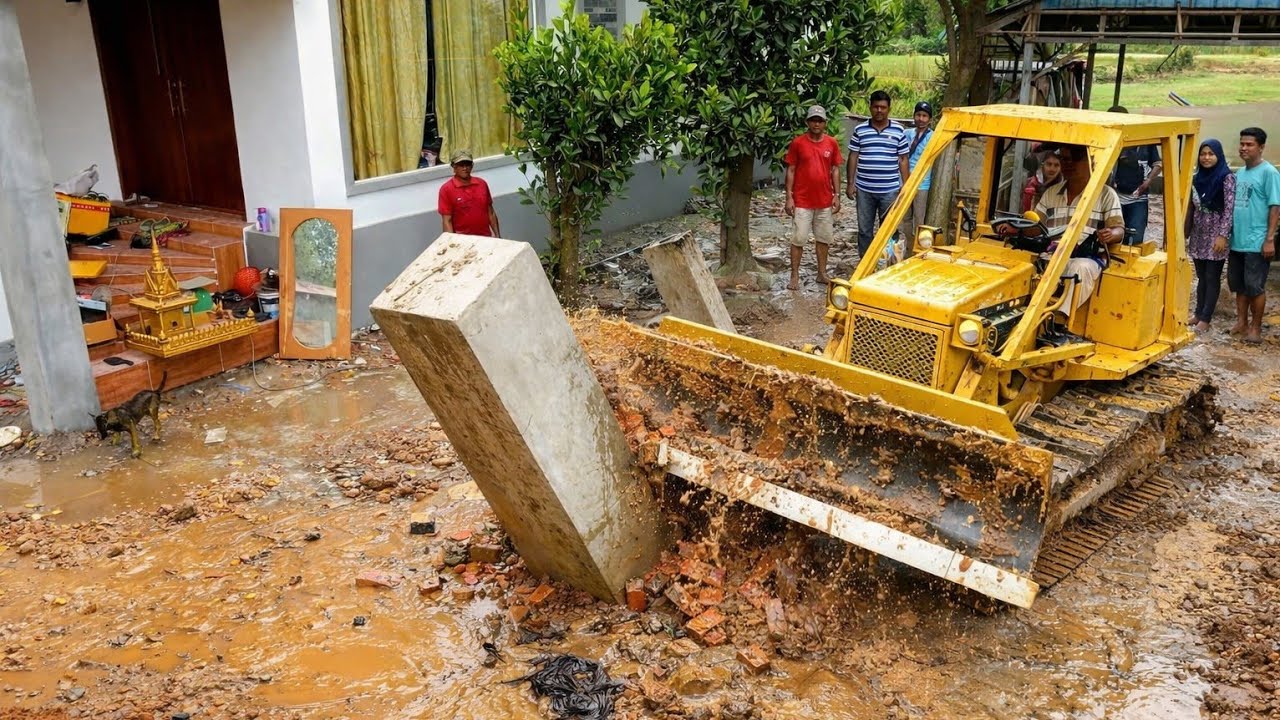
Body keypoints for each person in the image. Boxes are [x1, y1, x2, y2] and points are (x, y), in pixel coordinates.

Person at [1033, 145, 1126, 319]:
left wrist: (1111, 234)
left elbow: (1119, 229)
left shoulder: (1106, 194)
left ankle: (1059, 318)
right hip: (1052, 254)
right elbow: (1035, 226)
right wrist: (1017, 227)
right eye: (1064, 159)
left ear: (1090, 162)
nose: (1067, 164)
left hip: (1086, 256)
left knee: (1080, 268)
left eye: (1074, 159)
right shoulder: (1051, 193)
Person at [1228, 127, 1280, 344]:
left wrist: (1269, 239)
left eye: (1249, 144)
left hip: (1257, 241)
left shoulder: (1269, 173)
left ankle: (1256, 328)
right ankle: (1241, 322)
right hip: (1237, 240)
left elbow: (1275, 206)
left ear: (1261, 147)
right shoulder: (1239, 173)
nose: (1244, 148)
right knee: (1239, 285)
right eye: (1242, 144)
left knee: (1255, 287)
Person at [784, 105, 843, 290]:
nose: (816, 124)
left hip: (824, 200)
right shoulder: (798, 143)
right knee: (798, 238)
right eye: (813, 120)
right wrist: (789, 197)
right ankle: (794, 275)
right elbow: (791, 169)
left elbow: (835, 169)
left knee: (823, 238)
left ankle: (821, 272)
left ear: (825, 123)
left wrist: (837, 195)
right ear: (807, 122)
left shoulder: (831, 143)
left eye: (820, 121)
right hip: (802, 200)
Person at [846, 90, 909, 259]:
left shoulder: (898, 130)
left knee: (889, 229)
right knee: (864, 230)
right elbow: (853, 156)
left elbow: (903, 159)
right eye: (876, 107)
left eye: (883, 107)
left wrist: (907, 186)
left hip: (890, 190)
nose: (879, 110)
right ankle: (866, 264)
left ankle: (888, 262)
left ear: (889, 108)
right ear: (870, 107)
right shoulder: (860, 130)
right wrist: (850, 183)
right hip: (864, 190)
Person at [1186, 139, 1235, 334]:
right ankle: (1198, 313)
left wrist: (1223, 235)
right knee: (1201, 277)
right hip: (1199, 233)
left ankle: (1206, 318)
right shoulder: (1196, 178)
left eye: (1210, 154)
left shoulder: (1226, 178)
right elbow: (1191, 207)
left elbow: (1229, 210)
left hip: (1216, 234)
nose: (1206, 158)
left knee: (1212, 276)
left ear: (1218, 156)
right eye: (1203, 154)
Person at [1107, 106, 1163, 245]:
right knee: (1110, 237)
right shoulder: (1107, 140)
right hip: (1113, 197)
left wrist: (1148, 180)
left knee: (1135, 239)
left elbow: (1158, 164)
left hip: (1138, 197)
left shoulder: (1145, 139)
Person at [896, 101, 934, 256]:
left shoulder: (933, 136)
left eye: (924, 116)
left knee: (919, 219)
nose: (921, 119)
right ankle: (909, 248)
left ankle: (918, 251)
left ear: (930, 119)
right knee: (905, 217)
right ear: (914, 116)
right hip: (905, 181)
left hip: (922, 183)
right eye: (918, 115)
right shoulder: (906, 134)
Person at [438, 149, 500, 237]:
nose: (465, 168)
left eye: (467, 164)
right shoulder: (446, 189)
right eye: (461, 165)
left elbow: (491, 213)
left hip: (485, 238)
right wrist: (452, 242)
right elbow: (447, 220)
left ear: (472, 165)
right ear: (453, 166)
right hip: (462, 240)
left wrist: (498, 236)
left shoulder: (482, 184)